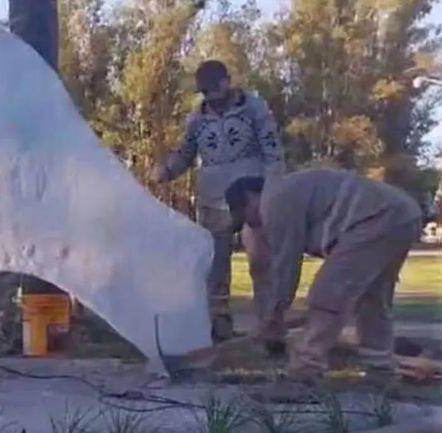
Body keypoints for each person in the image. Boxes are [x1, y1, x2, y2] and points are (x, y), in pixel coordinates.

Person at [225, 170, 422, 381]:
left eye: (246, 217)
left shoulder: (273, 201)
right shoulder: (290, 190)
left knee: (328, 295)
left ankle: (305, 372)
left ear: (249, 197)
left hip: (374, 217)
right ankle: (380, 368)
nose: (254, 226)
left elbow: (286, 265)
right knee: (374, 297)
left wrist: (274, 315)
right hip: (403, 213)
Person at [153, 60, 285, 342]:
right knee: (215, 266)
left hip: (253, 193)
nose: (211, 96)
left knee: (261, 261)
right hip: (213, 196)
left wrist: (273, 192)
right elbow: (185, 154)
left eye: (215, 88)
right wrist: (166, 170)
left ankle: (269, 326)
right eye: (205, 91)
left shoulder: (254, 109)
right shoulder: (197, 119)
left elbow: (273, 152)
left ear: (228, 81)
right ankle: (219, 325)